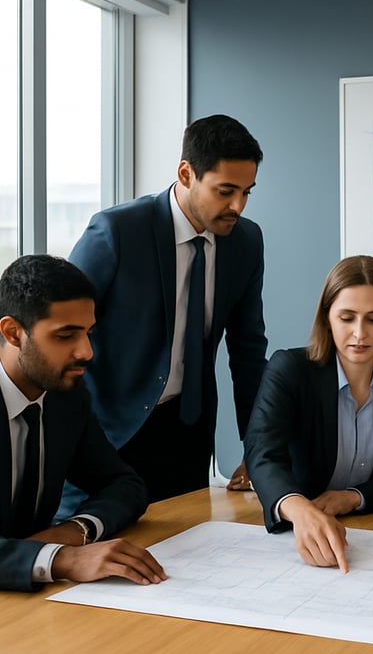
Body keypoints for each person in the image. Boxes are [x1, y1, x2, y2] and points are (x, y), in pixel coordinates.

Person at [67, 114, 267, 507]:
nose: (237, 205)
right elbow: (62, 331)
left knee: (184, 555)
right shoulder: (117, 231)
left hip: (188, 434)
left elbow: (248, 353)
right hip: (110, 434)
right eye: (226, 190)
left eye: (247, 192)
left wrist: (259, 447)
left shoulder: (245, 242)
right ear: (186, 173)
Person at [245, 255, 373, 572]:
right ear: (327, 318)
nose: (360, 333)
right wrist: (299, 509)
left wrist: (353, 497)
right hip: (297, 533)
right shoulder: (289, 369)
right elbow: (262, 455)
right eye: (347, 318)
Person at [0, 255, 166, 592]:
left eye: (89, 333)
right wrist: (62, 558)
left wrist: (73, 532)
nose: (87, 352)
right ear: (13, 333)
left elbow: (124, 485)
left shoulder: (65, 398)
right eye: (66, 336)